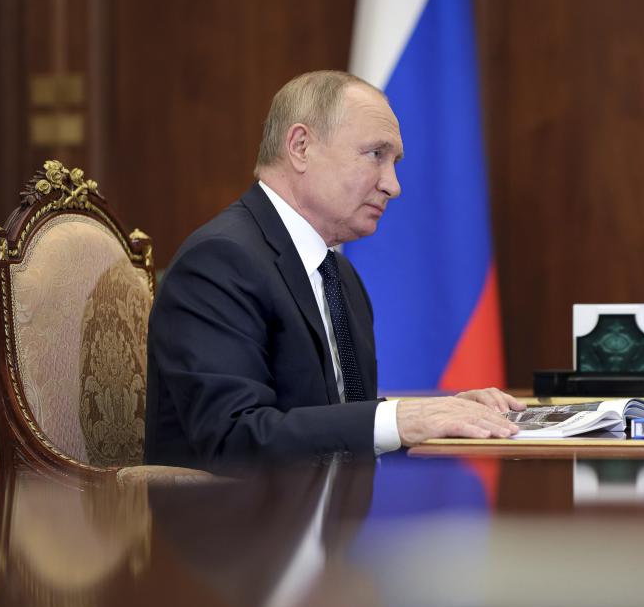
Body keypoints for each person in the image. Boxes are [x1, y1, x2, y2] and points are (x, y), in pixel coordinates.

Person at [144, 70, 524, 469]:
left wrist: (438, 414)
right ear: (301, 146)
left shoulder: (338, 274)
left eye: (394, 162)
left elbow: (328, 414)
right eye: (376, 154)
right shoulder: (219, 262)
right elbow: (233, 437)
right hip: (238, 525)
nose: (393, 185)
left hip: (330, 519)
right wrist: (396, 420)